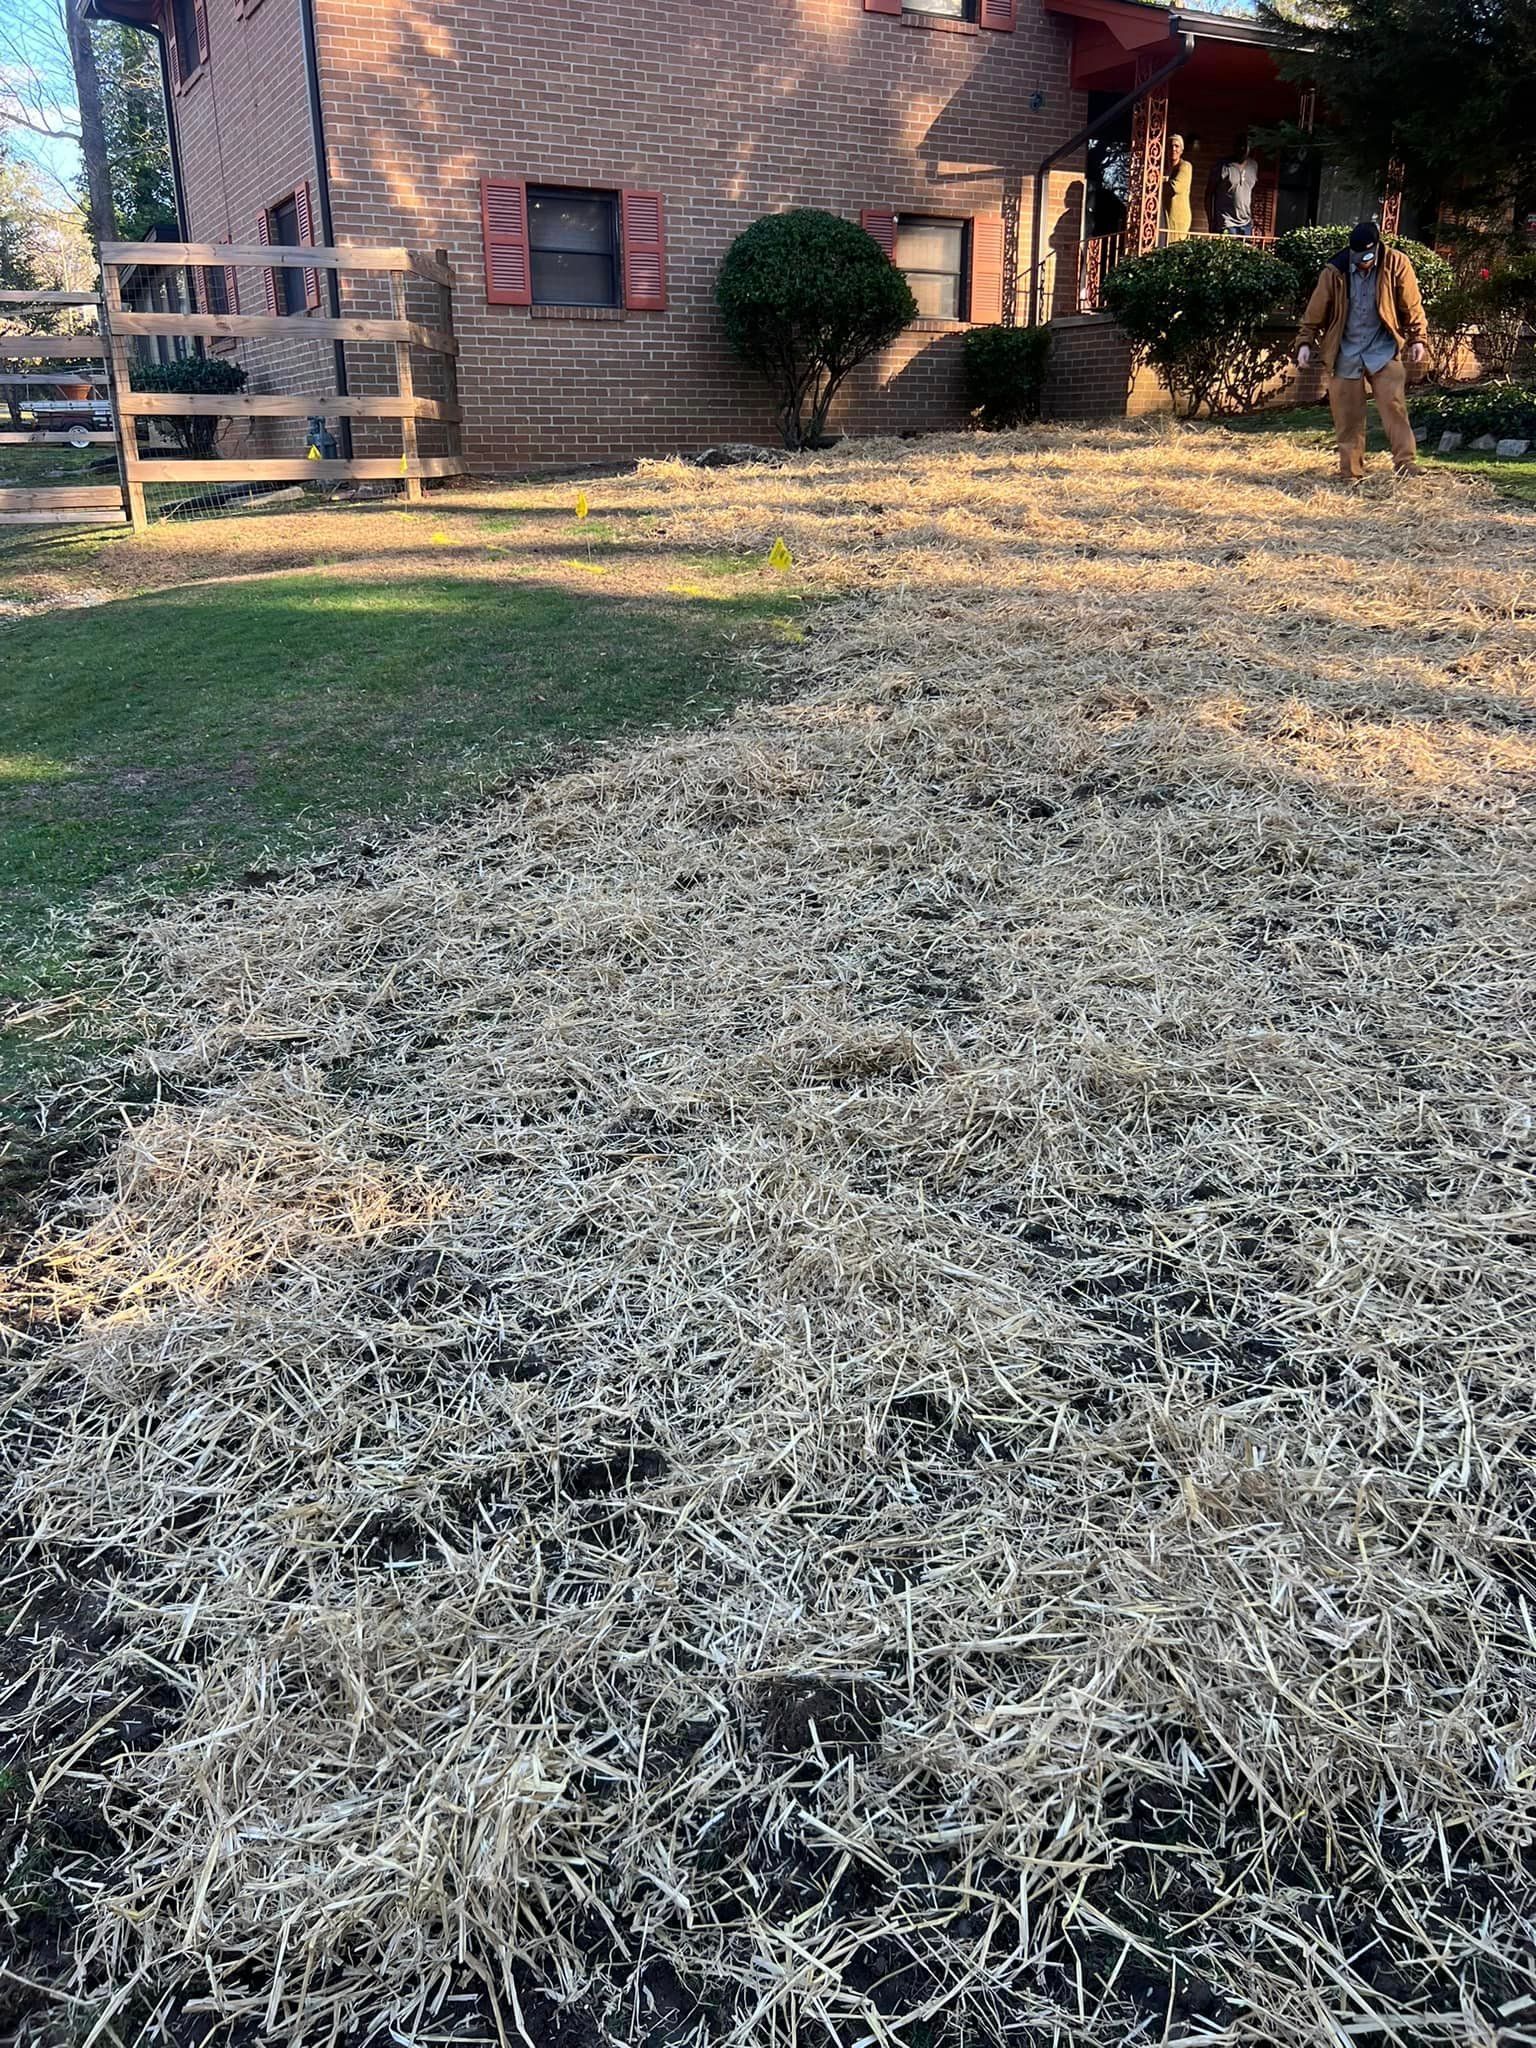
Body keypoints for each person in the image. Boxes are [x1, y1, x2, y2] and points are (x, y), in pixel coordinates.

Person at [1297, 219, 1429, 483]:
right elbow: (1315, 310)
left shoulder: (1396, 263)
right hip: (1346, 350)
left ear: (1378, 248)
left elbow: (1411, 304)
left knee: (1394, 407)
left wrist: (1418, 338)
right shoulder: (1335, 271)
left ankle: (1405, 462)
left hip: (1382, 348)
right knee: (1347, 415)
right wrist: (1304, 342)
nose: (1364, 262)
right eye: (1359, 257)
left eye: (1369, 256)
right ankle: (1350, 472)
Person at [1208, 137, 1258, 237]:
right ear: (1234, 147)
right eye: (1240, 146)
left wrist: (1252, 219)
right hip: (1226, 222)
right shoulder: (1223, 166)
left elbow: (1252, 192)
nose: (1243, 149)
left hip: (1246, 223)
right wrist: (1211, 220)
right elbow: (1209, 194)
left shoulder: (1253, 166)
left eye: (1246, 146)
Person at [1163, 135, 1193, 244]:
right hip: (1164, 217)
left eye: (1177, 146)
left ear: (1181, 150)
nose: (1173, 149)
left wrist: (1158, 182)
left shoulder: (1185, 166)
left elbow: (1175, 187)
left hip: (1178, 219)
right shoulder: (1165, 170)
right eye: (1170, 146)